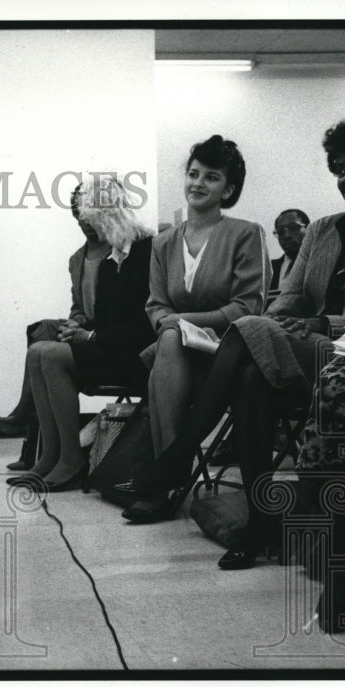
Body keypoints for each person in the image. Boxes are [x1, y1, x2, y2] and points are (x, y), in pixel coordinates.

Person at [121, 109, 345, 572]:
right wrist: (281, 324)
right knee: (249, 378)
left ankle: (177, 457)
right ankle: (261, 521)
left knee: (249, 329)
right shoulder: (324, 229)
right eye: (341, 168)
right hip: (304, 351)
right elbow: (290, 295)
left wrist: (324, 325)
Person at [5, 178, 155, 491]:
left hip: (139, 354)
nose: (86, 225)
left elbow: (142, 324)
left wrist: (89, 336)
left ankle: (70, 460)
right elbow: (104, 316)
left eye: (91, 218)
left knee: (49, 352)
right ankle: (49, 456)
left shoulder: (146, 250)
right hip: (113, 347)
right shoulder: (115, 255)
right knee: (38, 350)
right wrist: (83, 328)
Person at [137, 135, 268, 486]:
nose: (197, 183)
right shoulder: (163, 242)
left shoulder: (246, 234)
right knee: (168, 339)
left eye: (211, 177)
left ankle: (166, 472)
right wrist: (173, 324)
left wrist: (181, 321)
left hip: (229, 352)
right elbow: (156, 304)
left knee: (168, 338)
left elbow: (248, 306)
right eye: (193, 174)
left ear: (228, 189)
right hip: (177, 351)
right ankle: (170, 471)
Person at [0, 184, 105, 470]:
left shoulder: (121, 251)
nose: (86, 223)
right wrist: (74, 323)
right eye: (80, 216)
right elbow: (79, 307)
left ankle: (28, 426)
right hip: (86, 328)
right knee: (39, 330)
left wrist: (83, 330)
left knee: (43, 344)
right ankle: (32, 434)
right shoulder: (77, 259)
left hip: (105, 336)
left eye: (91, 215)